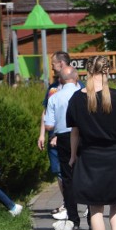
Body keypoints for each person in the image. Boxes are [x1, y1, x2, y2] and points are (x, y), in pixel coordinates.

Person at [67, 55, 116, 230]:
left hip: (90, 157)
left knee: (95, 208)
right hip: (114, 155)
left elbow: (74, 133)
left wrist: (73, 156)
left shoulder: (77, 99)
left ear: (87, 71)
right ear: (108, 72)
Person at [44, 66, 83, 230]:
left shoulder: (55, 97)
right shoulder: (84, 94)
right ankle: (92, 214)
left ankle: (74, 219)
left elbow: (49, 125)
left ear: (60, 80)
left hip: (64, 138)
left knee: (67, 178)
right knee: (86, 173)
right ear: (76, 77)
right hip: (84, 135)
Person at [39, 51, 69, 218]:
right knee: (59, 172)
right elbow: (45, 112)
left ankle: (85, 203)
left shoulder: (73, 86)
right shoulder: (52, 88)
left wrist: (60, 134)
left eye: (53, 64)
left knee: (73, 170)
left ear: (61, 64)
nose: (51, 67)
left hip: (67, 135)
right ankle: (67, 202)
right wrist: (42, 134)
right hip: (53, 136)